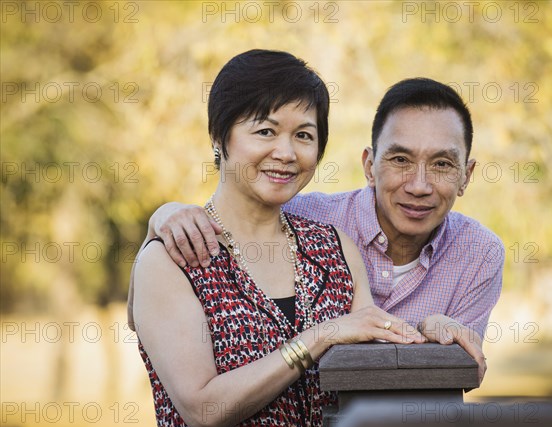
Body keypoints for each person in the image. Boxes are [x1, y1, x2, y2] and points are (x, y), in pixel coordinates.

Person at [130, 49, 425, 427]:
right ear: (220, 137)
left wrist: (431, 330)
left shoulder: (334, 250)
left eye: (303, 135)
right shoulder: (173, 257)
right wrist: (317, 338)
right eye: (265, 131)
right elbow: (203, 411)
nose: (286, 154)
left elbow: (372, 370)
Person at [135, 78, 505, 382]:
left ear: (465, 176)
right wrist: (162, 219)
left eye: (442, 164)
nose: (419, 185)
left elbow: (448, 380)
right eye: (400, 160)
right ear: (369, 165)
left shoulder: (479, 253)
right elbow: (146, 312)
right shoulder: (304, 219)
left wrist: (430, 332)